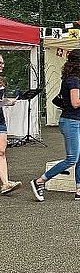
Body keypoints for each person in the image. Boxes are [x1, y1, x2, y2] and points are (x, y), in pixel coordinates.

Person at [30, 49, 80, 201]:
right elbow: (75, 103)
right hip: (71, 121)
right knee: (72, 159)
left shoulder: (70, 79)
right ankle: (39, 181)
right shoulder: (73, 80)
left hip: (75, 122)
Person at [0, 56, 21, 195]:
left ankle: (5, 184)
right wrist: (5, 102)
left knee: (1, 151)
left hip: (0, 121)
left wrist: (8, 100)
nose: (2, 64)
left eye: (2, 62)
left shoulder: (2, 81)